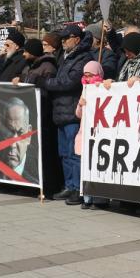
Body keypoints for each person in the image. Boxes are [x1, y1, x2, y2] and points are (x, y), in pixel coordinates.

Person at [36, 24, 93, 205]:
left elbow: (69, 82)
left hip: (72, 112)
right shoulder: (67, 57)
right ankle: (69, 185)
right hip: (61, 112)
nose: (63, 41)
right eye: (62, 38)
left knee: (74, 153)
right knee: (64, 153)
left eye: (66, 38)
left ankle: (77, 188)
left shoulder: (83, 58)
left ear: (76, 39)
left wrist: (46, 82)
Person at [22, 38, 61, 199]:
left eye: (26, 51)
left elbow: (47, 90)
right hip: (32, 115)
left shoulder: (47, 67)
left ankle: (48, 187)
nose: (24, 54)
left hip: (44, 115)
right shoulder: (31, 66)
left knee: (45, 153)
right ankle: (34, 184)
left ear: (33, 52)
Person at [74, 61, 109, 209]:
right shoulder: (85, 90)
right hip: (85, 134)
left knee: (99, 166)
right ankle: (87, 198)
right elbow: (78, 114)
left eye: (90, 75)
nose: (87, 79)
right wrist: (80, 105)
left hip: (100, 134)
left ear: (98, 75)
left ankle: (100, 199)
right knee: (85, 168)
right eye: (85, 76)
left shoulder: (104, 87)